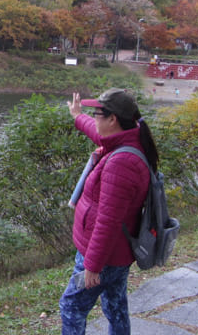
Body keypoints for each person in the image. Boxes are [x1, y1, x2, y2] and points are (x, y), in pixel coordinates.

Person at [60, 88, 159, 334]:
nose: (94, 120)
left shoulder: (120, 163)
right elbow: (98, 133)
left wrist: (92, 265)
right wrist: (77, 116)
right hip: (118, 253)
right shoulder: (129, 141)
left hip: (103, 256)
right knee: (115, 306)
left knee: (71, 307)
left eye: (96, 115)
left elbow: (108, 221)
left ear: (113, 119)